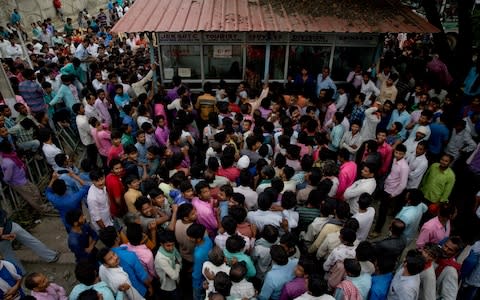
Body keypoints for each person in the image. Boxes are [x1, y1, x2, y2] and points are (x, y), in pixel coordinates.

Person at [0, 208, 58, 273]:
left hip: (4, 237)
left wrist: (2, 233)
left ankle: (20, 273)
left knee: (9, 255)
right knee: (32, 241)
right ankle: (51, 257)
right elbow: (3, 214)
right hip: (11, 227)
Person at [187, 223, 213, 300]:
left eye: (190, 237)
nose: (188, 238)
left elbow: (197, 273)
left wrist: (194, 280)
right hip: (206, 276)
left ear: (198, 239)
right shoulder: (208, 240)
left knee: (197, 297)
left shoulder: (198, 254)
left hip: (199, 282)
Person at [154, 230, 182, 300]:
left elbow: (179, 258)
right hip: (168, 285)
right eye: (168, 245)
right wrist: (177, 265)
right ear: (161, 244)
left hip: (174, 281)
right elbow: (174, 276)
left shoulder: (172, 250)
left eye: (173, 244)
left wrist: (176, 268)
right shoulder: (161, 258)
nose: (171, 248)